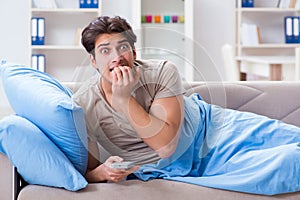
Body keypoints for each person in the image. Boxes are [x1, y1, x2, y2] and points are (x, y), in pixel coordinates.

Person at [73, 15, 300, 195]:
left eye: (123, 47)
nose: (117, 57)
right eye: (105, 51)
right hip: (182, 165)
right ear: (93, 61)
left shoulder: (162, 71)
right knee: (289, 162)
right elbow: (90, 170)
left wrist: (123, 100)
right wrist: (103, 172)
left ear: (133, 52)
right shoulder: (84, 105)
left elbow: (166, 145)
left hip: (215, 131)